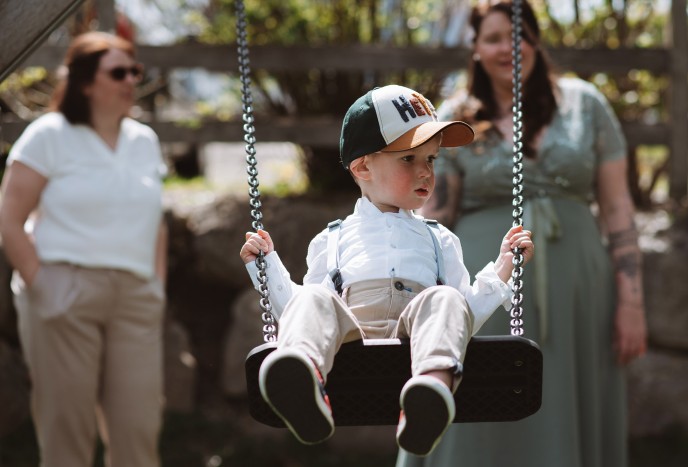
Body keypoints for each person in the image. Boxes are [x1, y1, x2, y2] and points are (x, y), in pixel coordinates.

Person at [396, 1, 647, 467]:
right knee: (477, 393)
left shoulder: (584, 104)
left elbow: (616, 206)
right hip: (485, 280)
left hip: (578, 289)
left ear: (535, 41)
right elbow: (433, 211)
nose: (508, 48)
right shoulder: (456, 117)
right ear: (474, 48)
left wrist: (631, 302)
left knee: (566, 396)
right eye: (493, 38)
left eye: (519, 35)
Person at [240, 84, 534, 457]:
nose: (426, 171)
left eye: (431, 159)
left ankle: (430, 391)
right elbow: (301, 310)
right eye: (409, 159)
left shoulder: (440, 240)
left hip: (413, 338)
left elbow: (460, 319)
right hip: (350, 338)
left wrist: (504, 267)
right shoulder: (332, 239)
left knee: (445, 298)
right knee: (312, 297)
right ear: (363, 167)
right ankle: (302, 379)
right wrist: (266, 268)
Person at [0, 32, 167, 467]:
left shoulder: (144, 140)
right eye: (117, 71)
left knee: (139, 432)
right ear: (85, 82)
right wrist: (41, 284)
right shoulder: (48, 135)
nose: (130, 79)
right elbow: (9, 217)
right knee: (66, 437)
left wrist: (157, 288)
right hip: (63, 292)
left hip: (135, 300)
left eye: (135, 70)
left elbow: (157, 223)